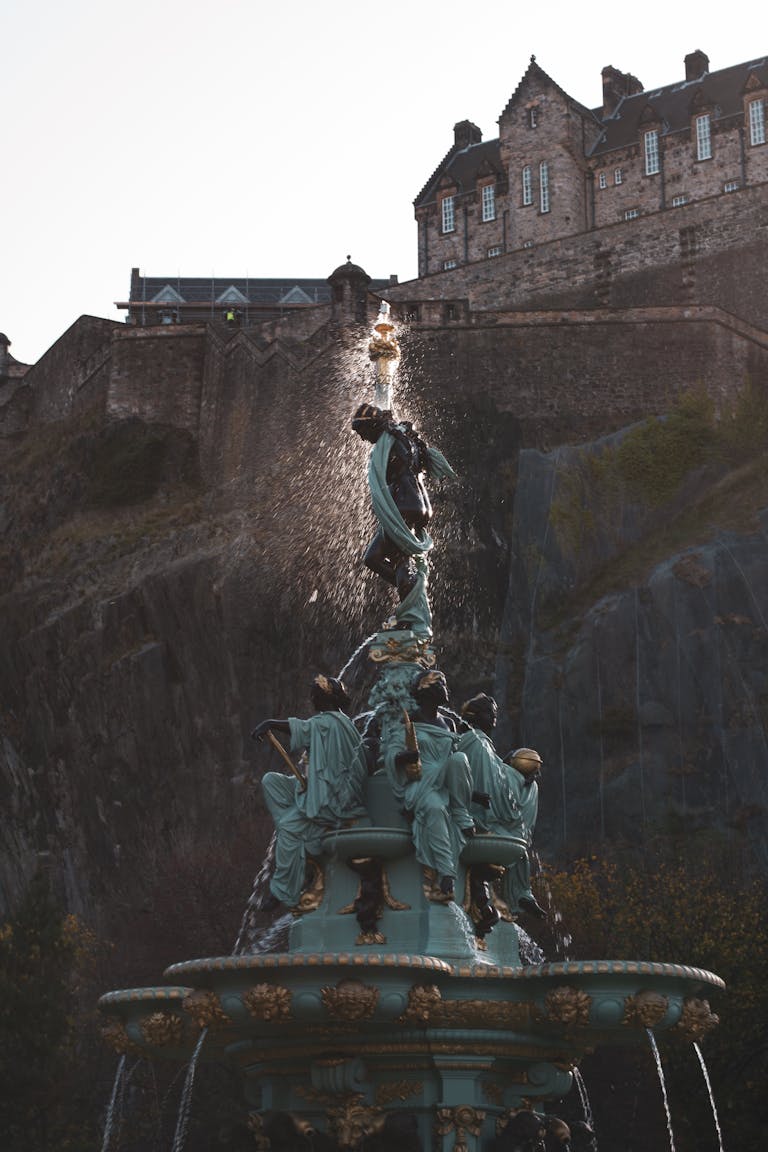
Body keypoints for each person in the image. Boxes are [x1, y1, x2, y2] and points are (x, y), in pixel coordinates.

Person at [251, 676, 368, 912]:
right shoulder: (339, 722)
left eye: (314, 696)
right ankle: (302, 834)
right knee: (272, 782)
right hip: (321, 788)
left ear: (323, 698)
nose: (312, 700)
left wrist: (270, 723)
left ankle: (283, 889)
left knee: (288, 827)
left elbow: (303, 729)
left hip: (331, 800)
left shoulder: (330, 722)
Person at [382, 669, 475, 899]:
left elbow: (460, 767)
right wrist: (407, 757)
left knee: (459, 758)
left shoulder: (450, 723)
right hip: (422, 782)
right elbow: (391, 755)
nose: (447, 690)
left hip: (446, 780)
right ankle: (446, 874)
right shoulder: (408, 719)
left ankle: (461, 813)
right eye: (442, 684)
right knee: (434, 808)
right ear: (427, 690)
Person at [351, 403, 456, 600]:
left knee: (389, 560)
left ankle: (411, 602)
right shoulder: (404, 439)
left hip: (404, 506)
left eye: (363, 431)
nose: (363, 438)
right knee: (382, 559)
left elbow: (387, 477)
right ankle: (411, 594)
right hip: (418, 505)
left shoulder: (389, 441)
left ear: (373, 425)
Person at [457, 694, 546, 920]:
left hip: (490, 807)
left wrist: (519, 770)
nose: (494, 717)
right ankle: (519, 893)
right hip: (477, 812)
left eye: (496, 713)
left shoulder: (483, 744)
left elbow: (496, 769)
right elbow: (485, 775)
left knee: (530, 788)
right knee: (512, 843)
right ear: (473, 716)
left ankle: (522, 893)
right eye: (489, 712)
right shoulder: (475, 741)